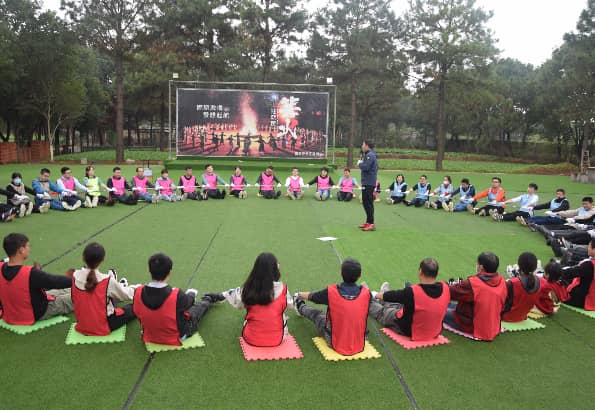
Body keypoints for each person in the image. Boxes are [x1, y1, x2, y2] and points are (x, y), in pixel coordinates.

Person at [133, 253, 219, 346]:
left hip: (149, 335)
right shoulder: (176, 294)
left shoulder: (138, 291)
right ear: (169, 273)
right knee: (195, 310)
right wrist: (192, 293)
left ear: (149, 270)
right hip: (177, 336)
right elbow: (190, 302)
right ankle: (208, 299)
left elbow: (137, 312)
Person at [294, 258, 371, 355]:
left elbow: (313, 297)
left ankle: (299, 305)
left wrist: (299, 294)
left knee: (318, 315)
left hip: (333, 341)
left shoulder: (332, 292)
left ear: (341, 273)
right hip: (361, 341)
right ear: (360, 275)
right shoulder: (367, 294)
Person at [218, 253, 293, 346]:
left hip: (251, 338)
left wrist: (223, 295)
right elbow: (289, 305)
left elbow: (237, 301)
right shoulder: (283, 289)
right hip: (278, 339)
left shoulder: (247, 289)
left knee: (249, 318)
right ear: (275, 269)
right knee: (281, 314)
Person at [0, 233, 73, 325]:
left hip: (12, 313)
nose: (29, 248)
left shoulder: (1, 267)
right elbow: (54, 281)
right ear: (21, 250)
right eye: (28, 246)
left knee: (63, 291)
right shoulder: (30, 273)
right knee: (77, 296)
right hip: (35, 312)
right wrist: (77, 279)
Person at [370, 258, 449, 341]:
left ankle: (368, 299)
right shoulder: (445, 287)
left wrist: (375, 294)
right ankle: (383, 296)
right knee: (401, 304)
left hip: (409, 330)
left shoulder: (413, 292)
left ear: (420, 272)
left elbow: (395, 296)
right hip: (434, 331)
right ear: (437, 273)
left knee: (384, 312)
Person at [71, 243, 136, 335]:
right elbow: (127, 295)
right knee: (133, 307)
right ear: (102, 260)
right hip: (103, 325)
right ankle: (119, 285)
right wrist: (139, 288)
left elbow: (75, 299)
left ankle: (118, 286)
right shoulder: (106, 281)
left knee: (107, 296)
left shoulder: (74, 275)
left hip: (82, 324)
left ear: (83, 258)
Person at [444, 252, 507, 341]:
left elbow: (449, 292)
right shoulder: (502, 281)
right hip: (493, 324)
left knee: (438, 309)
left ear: (481, 267)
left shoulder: (474, 284)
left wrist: (444, 285)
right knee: (449, 304)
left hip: (472, 325)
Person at [501, 252, 540, 322]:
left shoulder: (512, 283)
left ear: (519, 266)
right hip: (522, 316)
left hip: (506, 316)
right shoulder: (539, 281)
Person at [562, 238, 595, 310]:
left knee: (558, 287)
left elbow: (572, 273)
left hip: (585, 300)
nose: (588, 248)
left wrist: (556, 272)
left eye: (589, 246)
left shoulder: (589, 265)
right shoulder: (589, 264)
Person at [358, 140, 378, 231]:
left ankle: (371, 224)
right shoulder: (368, 155)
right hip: (367, 182)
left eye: (363, 144)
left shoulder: (370, 155)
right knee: (365, 202)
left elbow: (366, 167)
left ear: (367, 146)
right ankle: (368, 222)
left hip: (369, 182)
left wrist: (360, 164)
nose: (362, 146)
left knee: (368, 203)